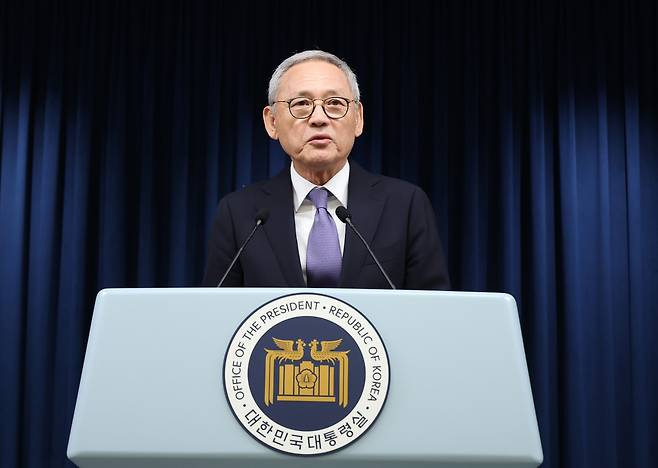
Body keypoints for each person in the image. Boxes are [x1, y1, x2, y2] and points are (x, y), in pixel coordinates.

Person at [202, 50, 450, 289]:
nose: (318, 118)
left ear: (358, 118)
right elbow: (218, 316)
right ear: (272, 122)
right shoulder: (240, 214)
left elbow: (434, 314)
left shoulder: (404, 206)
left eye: (334, 103)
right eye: (300, 104)